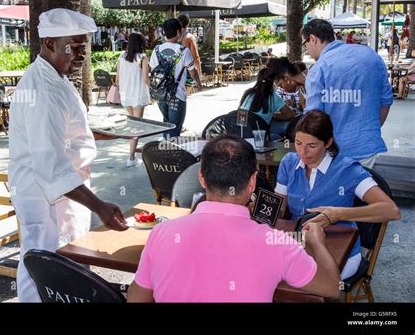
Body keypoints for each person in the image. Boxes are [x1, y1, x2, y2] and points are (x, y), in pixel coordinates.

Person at [127, 134, 341, 302]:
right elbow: (332, 288)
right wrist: (318, 243)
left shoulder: (161, 233)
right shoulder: (277, 243)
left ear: (201, 177)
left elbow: (137, 297)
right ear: (252, 182)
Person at [8, 8, 128, 302]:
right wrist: (99, 205)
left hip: (65, 192)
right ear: (49, 43)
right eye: (72, 47)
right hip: (46, 196)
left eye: (83, 47)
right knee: (46, 268)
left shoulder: (55, 77)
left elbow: (68, 134)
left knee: (63, 265)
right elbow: (51, 166)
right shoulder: (42, 91)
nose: (81, 54)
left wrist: (103, 135)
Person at [275, 111, 400, 280]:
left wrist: (338, 214)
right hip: (300, 244)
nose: (303, 152)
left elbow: (391, 210)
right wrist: (262, 209)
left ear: (328, 142)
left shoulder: (347, 170)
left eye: (312, 146)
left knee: (300, 282)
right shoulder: (288, 163)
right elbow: (279, 209)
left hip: (340, 250)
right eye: (298, 143)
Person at [301, 19, 393, 168]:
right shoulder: (371, 56)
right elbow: (386, 100)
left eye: (305, 44)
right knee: (364, 189)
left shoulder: (318, 68)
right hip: (367, 149)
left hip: (332, 154)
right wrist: (368, 129)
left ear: (313, 39)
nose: (307, 51)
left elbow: (313, 117)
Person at [150, 18, 202, 138]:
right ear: (178, 32)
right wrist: (198, 83)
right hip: (177, 95)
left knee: (167, 124)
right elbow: (192, 71)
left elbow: (153, 70)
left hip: (160, 94)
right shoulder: (184, 51)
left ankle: (165, 150)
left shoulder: (156, 50)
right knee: (175, 128)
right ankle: (170, 153)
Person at [116, 32, 150, 167]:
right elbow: (146, 79)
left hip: (126, 95)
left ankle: (132, 156)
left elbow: (117, 78)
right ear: (141, 43)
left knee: (133, 126)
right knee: (136, 127)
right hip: (138, 94)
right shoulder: (143, 57)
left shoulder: (122, 56)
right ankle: (131, 158)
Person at [239, 67, 295, 139]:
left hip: (242, 134)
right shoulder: (273, 97)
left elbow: (240, 118)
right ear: (273, 82)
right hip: (260, 137)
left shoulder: (248, 93)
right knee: (287, 127)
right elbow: (290, 115)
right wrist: (274, 116)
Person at [177, 14, 202, 95]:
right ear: (188, 23)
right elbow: (196, 56)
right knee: (184, 96)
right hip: (187, 70)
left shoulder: (172, 36)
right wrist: (199, 72)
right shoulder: (189, 37)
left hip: (174, 69)